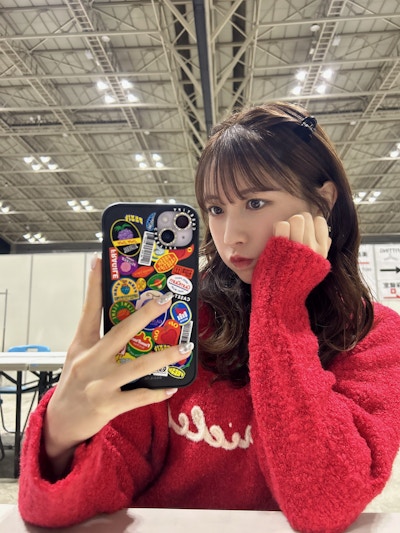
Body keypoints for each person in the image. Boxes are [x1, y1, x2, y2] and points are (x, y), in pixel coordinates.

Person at [18, 101, 400, 533]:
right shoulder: (180, 318)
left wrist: (280, 313)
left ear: (323, 202)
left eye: (255, 202)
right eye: (216, 209)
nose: (230, 236)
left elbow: (324, 504)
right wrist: (59, 440)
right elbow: (67, 506)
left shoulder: (373, 335)